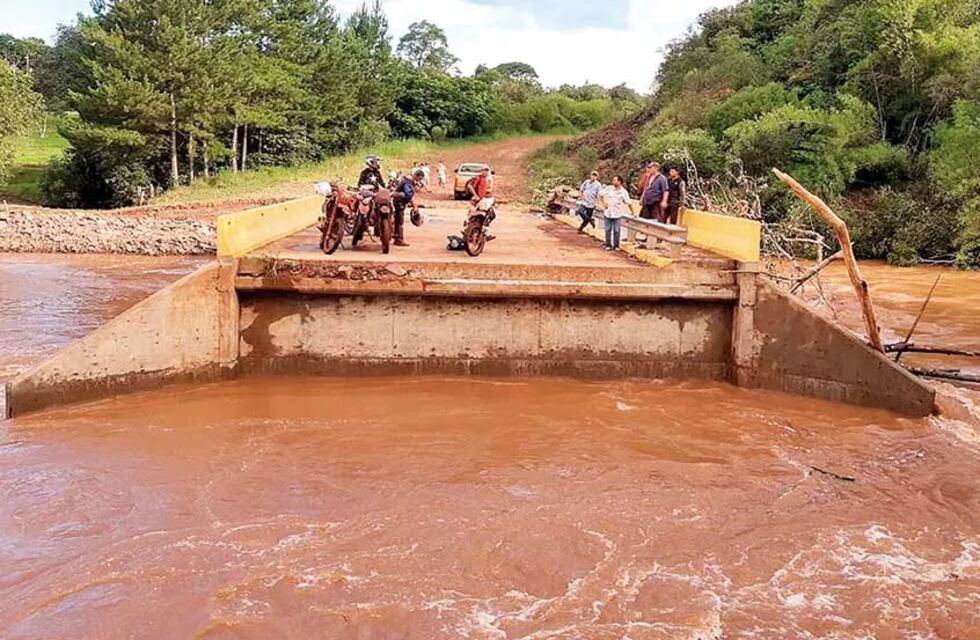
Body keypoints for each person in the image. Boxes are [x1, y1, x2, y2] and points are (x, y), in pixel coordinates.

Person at [598, 175, 634, 251]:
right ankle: (608, 245)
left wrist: (633, 212)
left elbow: (629, 202)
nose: (613, 182)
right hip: (608, 212)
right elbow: (600, 195)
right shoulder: (609, 189)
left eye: (615, 180)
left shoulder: (623, 192)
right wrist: (603, 203)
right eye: (613, 180)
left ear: (619, 182)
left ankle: (616, 245)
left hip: (617, 213)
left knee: (617, 230)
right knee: (607, 230)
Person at [392, 169, 425, 247]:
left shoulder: (407, 180)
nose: (419, 180)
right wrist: (414, 206)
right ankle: (399, 239)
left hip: (398, 201)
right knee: (400, 221)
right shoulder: (408, 182)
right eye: (419, 178)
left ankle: (396, 236)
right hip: (399, 202)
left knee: (397, 220)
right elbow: (408, 194)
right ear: (417, 176)